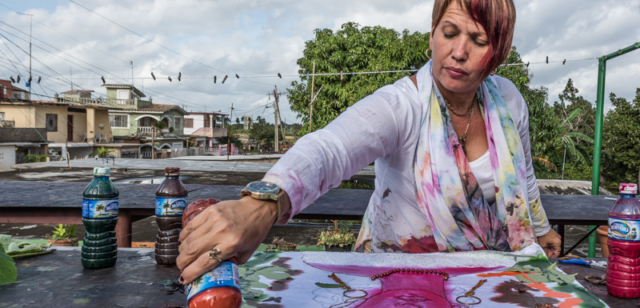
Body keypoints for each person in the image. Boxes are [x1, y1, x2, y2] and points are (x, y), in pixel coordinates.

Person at [177, 0, 562, 285]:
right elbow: (330, 149)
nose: (458, 52)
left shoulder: (508, 101)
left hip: (488, 277)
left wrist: (542, 229)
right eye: (449, 33)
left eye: (478, 40)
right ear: (432, 33)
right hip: (396, 280)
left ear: (498, 53)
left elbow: (523, 177)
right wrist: (262, 204)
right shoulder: (403, 106)